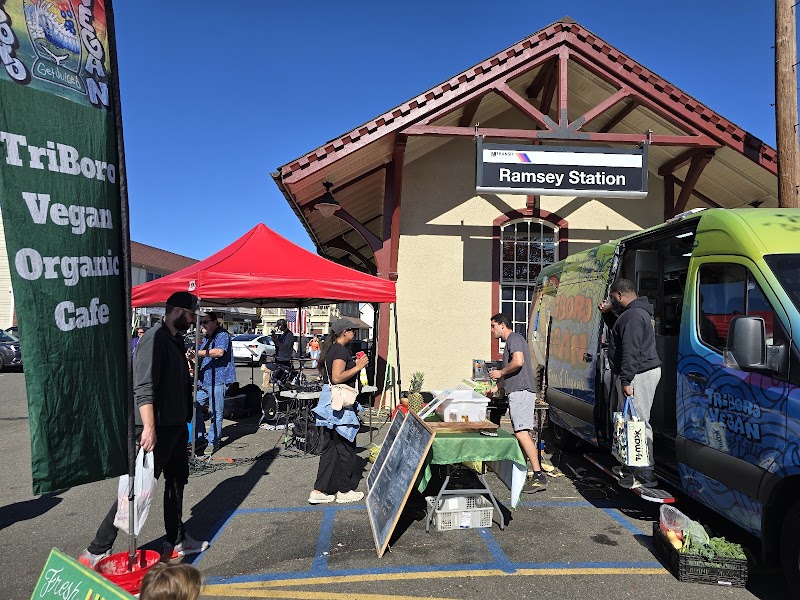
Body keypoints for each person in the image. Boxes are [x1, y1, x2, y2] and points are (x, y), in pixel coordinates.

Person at [79, 292, 209, 567]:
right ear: (177, 311)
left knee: (176, 484)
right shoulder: (154, 339)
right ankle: (96, 550)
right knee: (136, 489)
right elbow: (144, 387)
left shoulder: (174, 340)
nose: (193, 321)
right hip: (156, 429)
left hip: (175, 427)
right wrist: (148, 427)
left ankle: (175, 540)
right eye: (190, 315)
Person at [598, 278, 662, 489]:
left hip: (638, 374)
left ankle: (645, 473)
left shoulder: (633, 316)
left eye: (613, 298)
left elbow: (631, 350)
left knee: (638, 422)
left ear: (620, 295)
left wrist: (626, 379)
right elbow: (621, 332)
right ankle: (630, 466)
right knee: (628, 420)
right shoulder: (634, 313)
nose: (612, 301)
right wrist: (607, 314)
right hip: (638, 372)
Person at [308, 317, 369, 504]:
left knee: (331, 449)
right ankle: (344, 490)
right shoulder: (341, 351)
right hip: (340, 406)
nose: (354, 334)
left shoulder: (330, 349)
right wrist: (358, 367)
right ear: (345, 332)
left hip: (329, 404)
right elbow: (337, 377)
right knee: (346, 448)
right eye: (353, 330)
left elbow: (327, 376)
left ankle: (319, 490)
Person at [488, 314, 547, 491]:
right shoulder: (510, 344)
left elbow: (518, 362)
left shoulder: (514, 338)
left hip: (521, 392)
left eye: (493, 326)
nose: (492, 330)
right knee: (521, 432)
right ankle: (524, 473)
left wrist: (500, 372)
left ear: (502, 325)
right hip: (517, 392)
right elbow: (508, 373)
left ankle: (538, 475)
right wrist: (494, 388)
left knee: (522, 433)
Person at [190, 311, 235, 455]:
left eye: (206, 322)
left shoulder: (222, 335)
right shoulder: (207, 338)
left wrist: (197, 353)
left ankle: (213, 442)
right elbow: (204, 357)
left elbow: (219, 352)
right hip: (204, 380)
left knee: (216, 411)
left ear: (215, 322)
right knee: (193, 406)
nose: (203, 325)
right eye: (201, 322)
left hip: (218, 379)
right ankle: (200, 436)